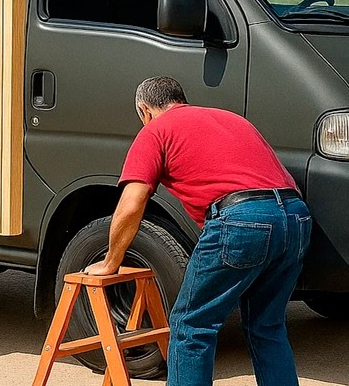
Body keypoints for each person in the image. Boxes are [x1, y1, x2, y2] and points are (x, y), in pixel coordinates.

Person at [84, 76, 311, 386]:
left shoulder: (156, 130)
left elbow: (132, 203)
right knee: (266, 326)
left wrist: (111, 260)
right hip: (295, 218)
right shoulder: (232, 119)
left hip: (241, 218)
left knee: (192, 326)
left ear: (144, 110)